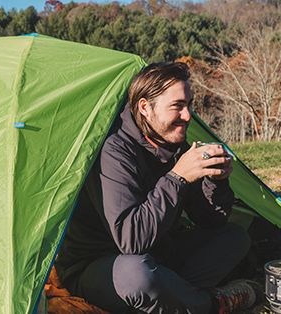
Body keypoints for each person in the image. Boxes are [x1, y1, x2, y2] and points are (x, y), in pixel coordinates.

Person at [55, 62, 256, 313]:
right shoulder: (114, 150)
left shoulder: (173, 142)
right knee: (138, 276)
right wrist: (178, 178)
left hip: (158, 251)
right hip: (99, 266)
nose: (187, 116)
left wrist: (216, 182)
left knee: (233, 237)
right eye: (177, 106)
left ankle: (168, 300)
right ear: (145, 107)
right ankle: (213, 304)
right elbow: (130, 240)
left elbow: (209, 221)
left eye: (189, 105)